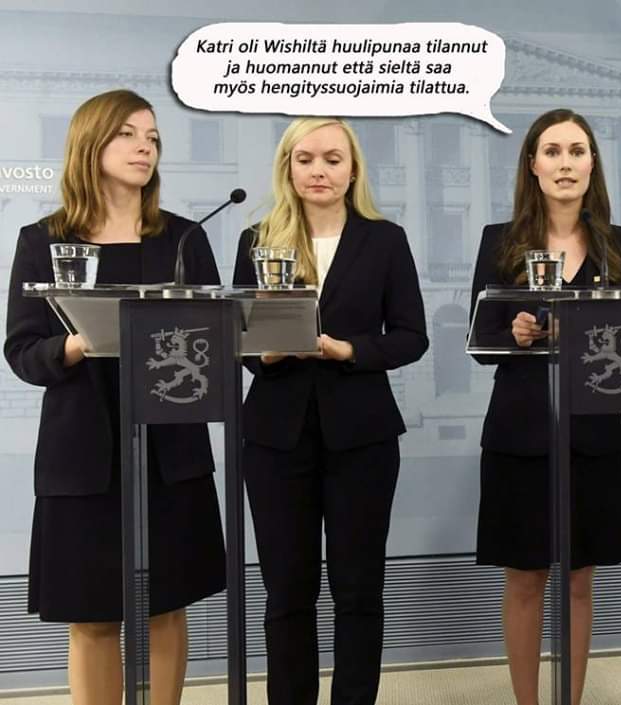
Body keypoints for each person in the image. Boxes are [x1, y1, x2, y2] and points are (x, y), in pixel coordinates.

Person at [4, 89, 225, 705]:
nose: (143, 147)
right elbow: (23, 350)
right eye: (127, 134)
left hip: (169, 447)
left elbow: (214, 341)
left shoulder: (183, 238)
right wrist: (79, 344)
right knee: (93, 614)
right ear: (90, 143)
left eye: (152, 137)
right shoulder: (41, 240)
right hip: (82, 451)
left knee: (166, 607)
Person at [233, 117, 428, 705]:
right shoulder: (256, 239)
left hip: (362, 435)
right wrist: (266, 353)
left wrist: (349, 350)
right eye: (306, 159)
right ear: (288, 167)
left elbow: (412, 336)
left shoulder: (385, 239)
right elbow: (237, 339)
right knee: (287, 593)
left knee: (358, 590)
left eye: (332, 159)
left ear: (353, 169)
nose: (319, 170)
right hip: (275, 437)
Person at [468, 108, 621, 705]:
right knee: (524, 578)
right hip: (520, 430)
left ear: (592, 164)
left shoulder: (619, 245)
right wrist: (513, 334)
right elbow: (480, 342)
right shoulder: (499, 241)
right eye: (553, 151)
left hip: (594, 432)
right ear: (533, 165)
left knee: (579, 579)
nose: (565, 164)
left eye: (577, 151)